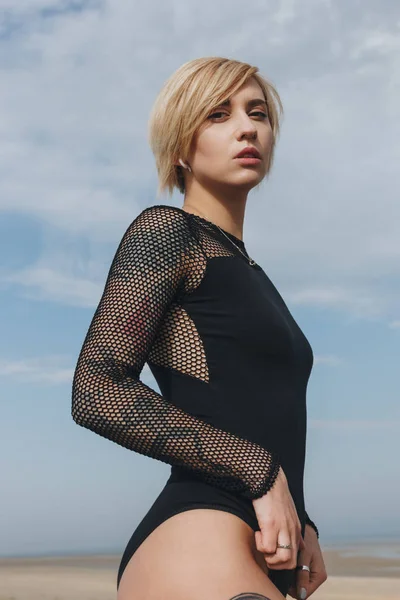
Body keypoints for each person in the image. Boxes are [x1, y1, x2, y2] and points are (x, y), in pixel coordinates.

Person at [71, 56, 327, 599]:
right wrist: (260, 472)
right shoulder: (168, 233)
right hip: (201, 533)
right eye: (219, 114)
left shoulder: (251, 271)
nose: (247, 127)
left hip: (264, 545)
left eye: (257, 113)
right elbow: (97, 391)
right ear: (181, 146)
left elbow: (260, 406)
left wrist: (303, 520)